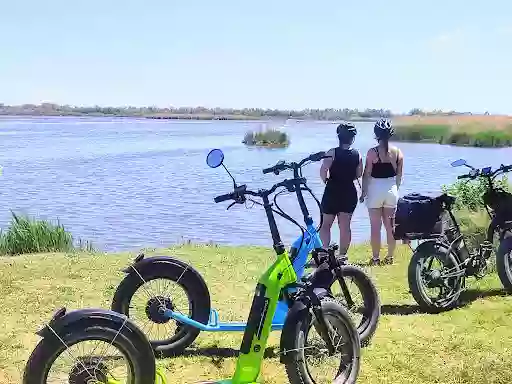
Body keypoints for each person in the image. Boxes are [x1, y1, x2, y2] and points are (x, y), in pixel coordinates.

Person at [360, 118, 404, 265]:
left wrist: (363, 192)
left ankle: (375, 258)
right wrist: (395, 190)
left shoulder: (372, 153)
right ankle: (390, 257)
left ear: (376, 134)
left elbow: (366, 174)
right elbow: (399, 176)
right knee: (390, 226)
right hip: (391, 190)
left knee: (375, 227)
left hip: (375, 190)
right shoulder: (398, 152)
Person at [318, 122, 363, 262]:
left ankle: (324, 253)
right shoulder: (357, 154)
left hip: (332, 191)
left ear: (339, 137)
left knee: (325, 225)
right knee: (345, 226)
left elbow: (323, 171)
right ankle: (342, 256)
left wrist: (327, 181)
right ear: (352, 138)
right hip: (349, 192)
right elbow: (359, 174)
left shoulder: (332, 152)